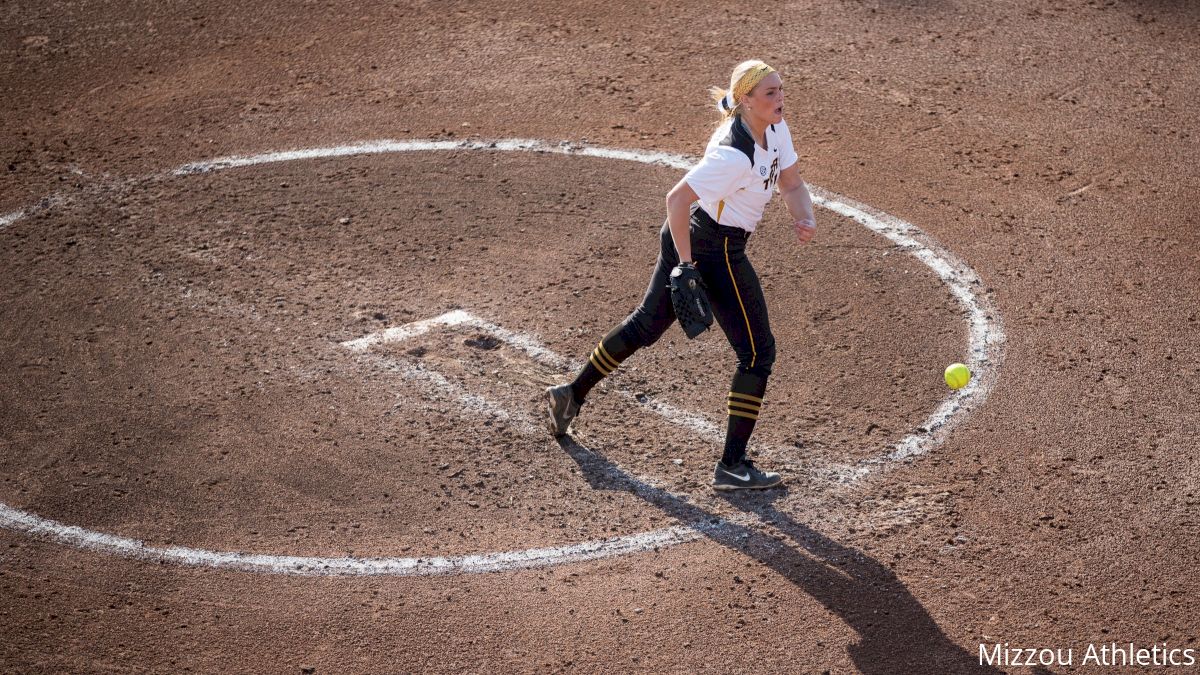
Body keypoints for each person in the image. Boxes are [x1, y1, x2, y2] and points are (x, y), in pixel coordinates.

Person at [545, 60, 817, 491]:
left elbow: (792, 183)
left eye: (781, 89)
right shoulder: (733, 154)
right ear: (746, 101)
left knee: (645, 326)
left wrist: (804, 217)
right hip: (712, 248)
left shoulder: (775, 128)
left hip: (702, 238)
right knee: (757, 353)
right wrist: (686, 266)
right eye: (770, 93)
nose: (780, 98)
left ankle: (571, 394)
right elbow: (676, 198)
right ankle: (732, 466)